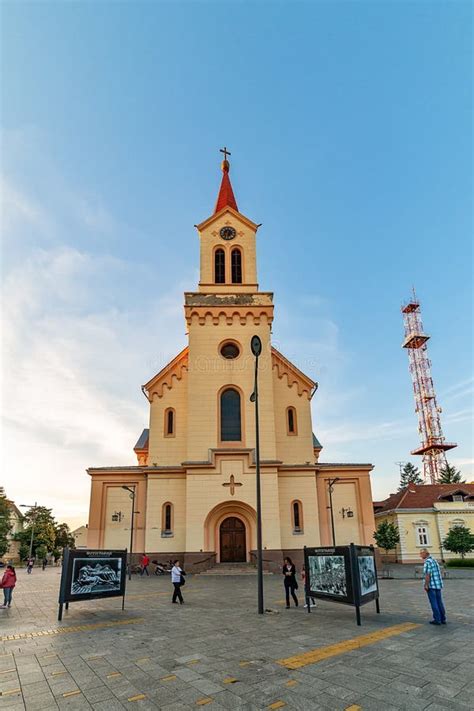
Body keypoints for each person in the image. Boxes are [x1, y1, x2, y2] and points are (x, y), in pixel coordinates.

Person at [420, 549, 446, 625]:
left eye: (421, 553)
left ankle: (437, 619)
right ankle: (443, 618)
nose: (420, 555)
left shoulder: (427, 562)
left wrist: (426, 584)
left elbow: (428, 574)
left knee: (433, 602)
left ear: (426, 553)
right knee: (439, 602)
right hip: (438, 584)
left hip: (431, 585)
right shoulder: (434, 560)